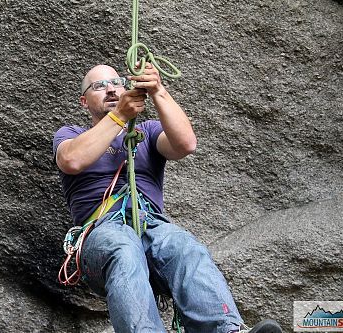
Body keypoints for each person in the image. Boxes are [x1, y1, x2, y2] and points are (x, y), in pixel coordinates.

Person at [53, 63, 282, 333]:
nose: (110, 89)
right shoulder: (71, 135)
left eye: (116, 82)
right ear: (84, 101)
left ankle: (226, 330)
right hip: (101, 234)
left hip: (152, 227)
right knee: (123, 246)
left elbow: (186, 144)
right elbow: (71, 160)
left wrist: (158, 90)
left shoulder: (147, 133)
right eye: (99, 86)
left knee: (184, 246)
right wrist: (118, 117)